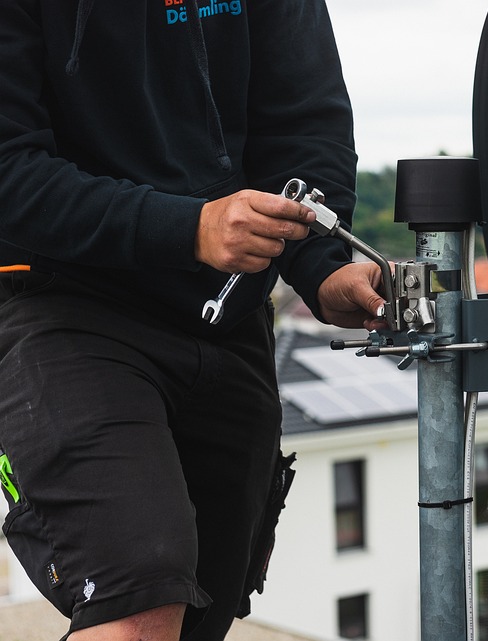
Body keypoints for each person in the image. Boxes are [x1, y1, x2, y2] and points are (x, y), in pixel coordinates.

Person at [0, 1, 384, 639]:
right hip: (61, 307)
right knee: (138, 594)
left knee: (200, 618)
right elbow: (7, 172)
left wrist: (322, 267)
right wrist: (189, 227)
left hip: (228, 318)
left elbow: (300, 125)